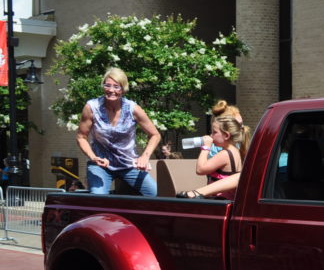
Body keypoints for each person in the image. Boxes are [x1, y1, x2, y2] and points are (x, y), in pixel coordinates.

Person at [76, 67, 161, 196]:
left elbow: (155, 135)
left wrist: (144, 156)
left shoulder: (133, 109)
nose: (111, 90)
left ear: (123, 89)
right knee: (98, 198)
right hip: (101, 165)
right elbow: (81, 137)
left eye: (116, 87)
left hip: (128, 164)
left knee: (155, 193)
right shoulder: (92, 107)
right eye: (108, 85)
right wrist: (93, 157)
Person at [177, 114, 245, 199]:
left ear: (226, 135)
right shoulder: (235, 151)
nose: (211, 136)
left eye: (214, 132)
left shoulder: (225, 154)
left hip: (221, 199)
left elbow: (200, 170)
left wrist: (205, 148)